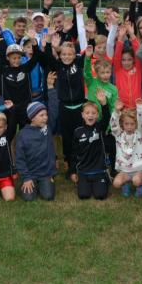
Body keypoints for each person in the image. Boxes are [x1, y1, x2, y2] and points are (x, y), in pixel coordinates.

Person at [46, 34, 87, 181]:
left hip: (79, 107)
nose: (67, 57)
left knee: (81, 136)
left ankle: (82, 164)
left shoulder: (78, 63)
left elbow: (86, 51)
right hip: (64, 108)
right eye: (63, 54)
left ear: (74, 55)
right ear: (60, 55)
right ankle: (70, 167)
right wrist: (51, 45)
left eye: (70, 54)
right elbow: (47, 58)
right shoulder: (59, 67)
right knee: (67, 139)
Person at [0, 29, 41, 134]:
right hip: (8, 107)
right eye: (13, 58)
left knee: (25, 133)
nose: (16, 60)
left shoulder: (25, 68)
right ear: (7, 58)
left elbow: (36, 57)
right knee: (8, 135)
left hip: (24, 108)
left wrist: (33, 41)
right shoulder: (3, 70)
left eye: (19, 58)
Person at [15, 80, 60, 202]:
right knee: (29, 198)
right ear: (32, 118)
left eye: (45, 114)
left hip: (45, 173)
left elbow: (54, 108)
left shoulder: (47, 127)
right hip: (30, 173)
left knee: (48, 196)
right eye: (41, 115)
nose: (45, 118)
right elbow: (19, 159)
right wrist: (26, 178)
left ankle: (46, 182)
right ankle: (30, 183)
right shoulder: (22, 135)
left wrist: (50, 88)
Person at [73, 92, 112, 200]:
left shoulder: (100, 129)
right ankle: (84, 183)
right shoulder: (77, 132)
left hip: (99, 170)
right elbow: (74, 153)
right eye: (87, 113)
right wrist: (73, 171)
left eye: (93, 113)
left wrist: (104, 104)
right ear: (82, 115)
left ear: (97, 115)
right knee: (83, 195)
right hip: (83, 171)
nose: (90, 115)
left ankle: (104, 179)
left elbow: (106, 118)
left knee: (100, 195)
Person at [110, 99, 142, 198]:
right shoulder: (118, 134)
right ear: (122, 124)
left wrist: (140, 109)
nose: (129, 127)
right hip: (124, 170)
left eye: (132, 124)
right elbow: (113, 125)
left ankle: (141, 184)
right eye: (126, 124)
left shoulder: (139, 133)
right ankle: (125, 184)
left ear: (136, 124)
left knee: (136, 181)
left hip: (138, 169)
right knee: (116, 183)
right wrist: (116, 111)